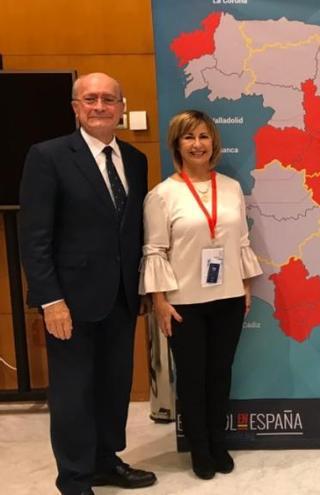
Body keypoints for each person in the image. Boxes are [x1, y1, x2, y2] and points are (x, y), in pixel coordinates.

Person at [19, 72, 157, 495]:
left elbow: (133, 231)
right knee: (73, 392)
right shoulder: (48, 156)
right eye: (90, 99)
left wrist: (144, 289)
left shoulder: (135, 159)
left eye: (109, 100)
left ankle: (104, 461)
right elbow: (35, 235)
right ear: (75, 107)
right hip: (69, 302)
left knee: (113, 386)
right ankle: (75, 478)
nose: (100, 106)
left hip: (119, 296)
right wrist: (50, 300)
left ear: (120, 106)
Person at [140, 109, 262, 480]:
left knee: (220, 375)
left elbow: (240, 241)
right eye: (189, 137)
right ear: (177, 144)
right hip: (183, 304)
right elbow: (155, 251)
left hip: (226, 299)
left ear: (214, 143)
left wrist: (244, 286)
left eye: (204, 136)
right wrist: (160, 301)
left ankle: (217, 441)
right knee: (192, 378)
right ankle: (199, 449)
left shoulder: (230, 188)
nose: (197, 144)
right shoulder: (162, 195)